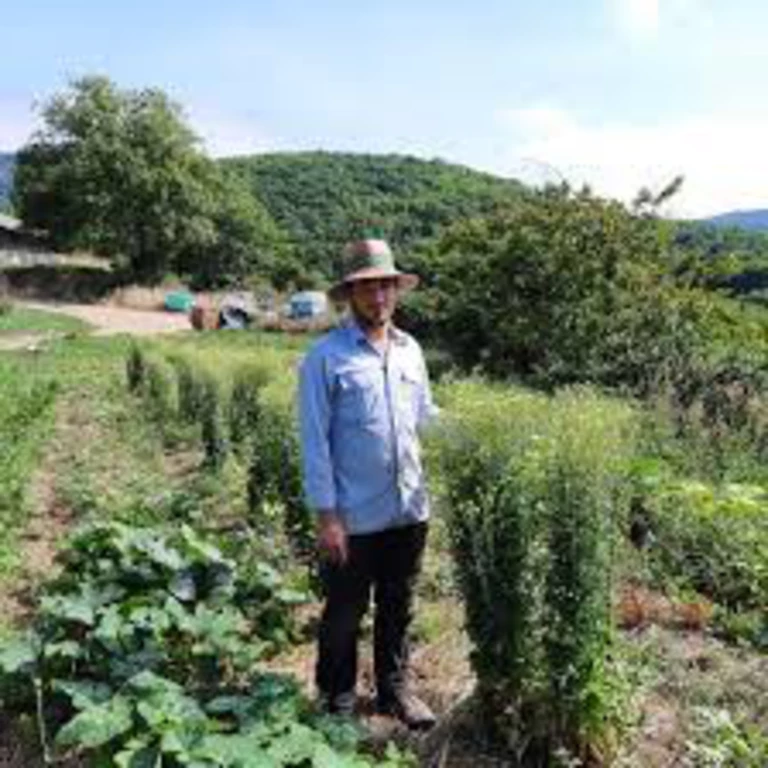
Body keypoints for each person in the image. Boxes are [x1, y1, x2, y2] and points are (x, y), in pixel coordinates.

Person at [297, 238, 438, 730]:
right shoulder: (326, 358)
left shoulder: (410, 350)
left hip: (408, 508)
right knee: (344, 612)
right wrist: (327, 514)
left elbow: (425, 417)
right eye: (367, 288)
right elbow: (315, 442)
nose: (379, 297)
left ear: (396, 290)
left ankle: (393, 693)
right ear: (350, 294)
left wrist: (479, 437)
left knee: (398, 606)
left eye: (386, 286)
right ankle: (336, 701)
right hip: (353, 516)